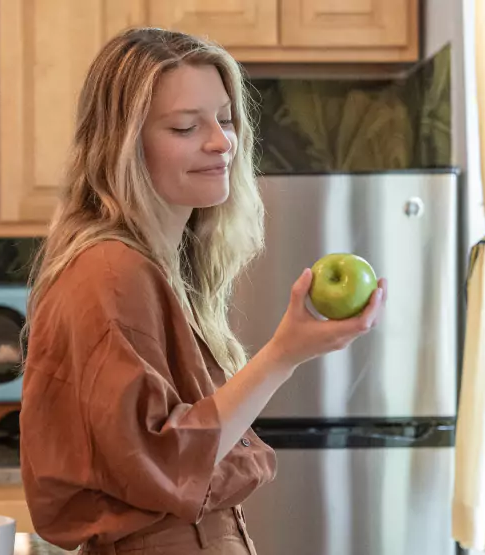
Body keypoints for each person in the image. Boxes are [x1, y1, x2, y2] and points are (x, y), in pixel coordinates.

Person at [19, 26, 387, 555]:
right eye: (186, 126)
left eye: (225, 118)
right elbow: (165, 457)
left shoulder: (158, 263)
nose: (221, 142)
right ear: (124, 146)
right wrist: (284, 353)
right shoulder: (110, 272)